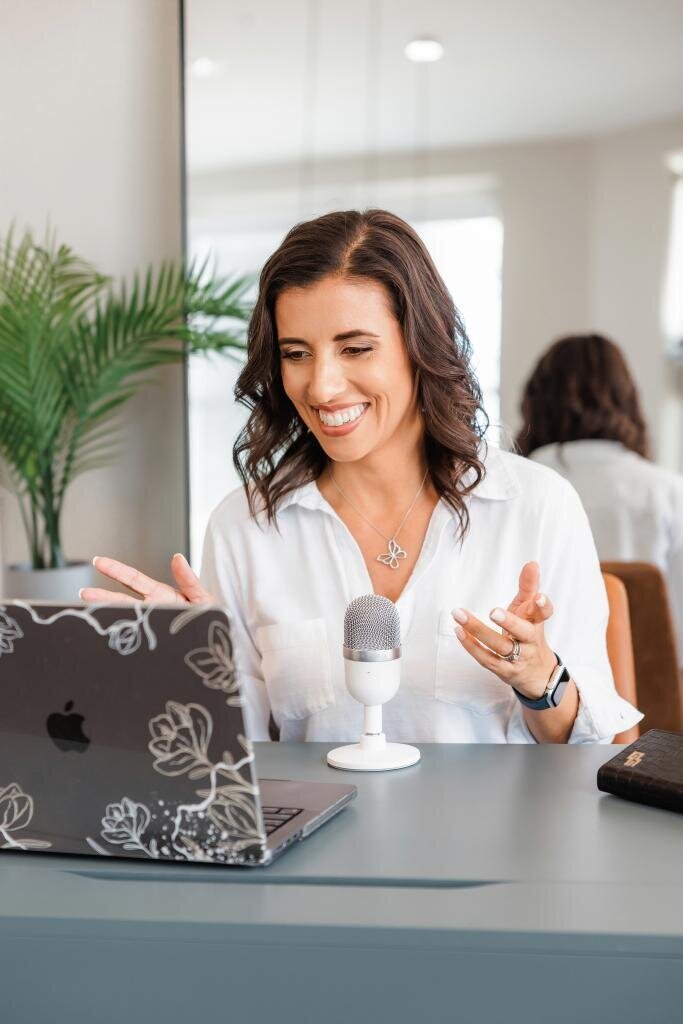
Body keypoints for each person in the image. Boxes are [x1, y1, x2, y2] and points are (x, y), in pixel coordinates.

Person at [81, 210, 641, 744]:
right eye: (296, 353)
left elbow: (583, 749)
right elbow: (249, 753)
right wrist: (193, 667)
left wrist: (540, 681)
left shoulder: (537, 505)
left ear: (421, 344)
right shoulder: (242, 526)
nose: (321, 387)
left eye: (355, 348)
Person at [517, 332, 683, 667]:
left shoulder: (515, 488)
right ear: (628, 401)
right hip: (659, 698)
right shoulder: (669, 494)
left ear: (536, 402)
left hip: (538, 687)